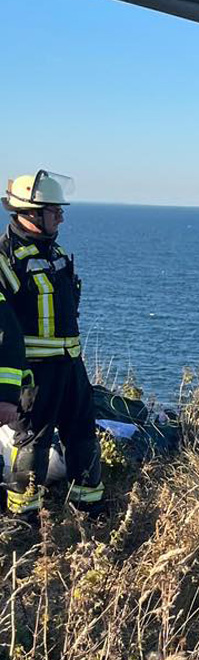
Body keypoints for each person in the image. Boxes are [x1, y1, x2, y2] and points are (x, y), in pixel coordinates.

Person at [0, 171, 103, 519]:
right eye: (53, 210)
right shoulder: (6, 260)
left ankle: (88, 507)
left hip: (70, 366)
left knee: (83, 432)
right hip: (34, 374)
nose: (60, 216)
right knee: (32, 441)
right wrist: (7, 392)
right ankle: (23, 519)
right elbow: (4, 333)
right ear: (29, 213)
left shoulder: (54, 252)